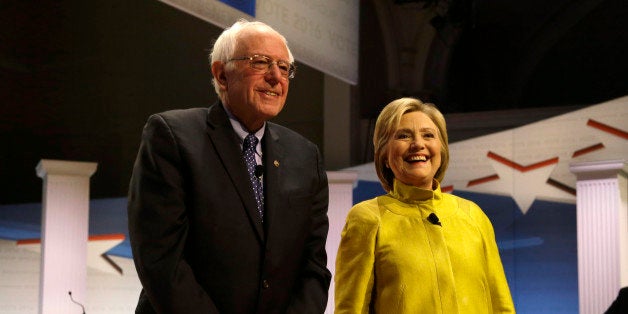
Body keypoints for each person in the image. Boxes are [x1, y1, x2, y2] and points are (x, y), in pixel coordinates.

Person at [127, 19, 331, 313]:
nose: (276, 77)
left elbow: (313, 266)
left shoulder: (305, 156)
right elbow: (161, 260)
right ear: (222, 75)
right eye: (261, 62)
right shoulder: (172, 137)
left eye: (284, 68)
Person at [334, 97, 515, 313]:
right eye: (403, 136)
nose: (418, 144)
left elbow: (501, 304)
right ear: (384, 155)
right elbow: (350, 309)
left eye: (428, 135)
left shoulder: (473, 216)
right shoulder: (367, 218)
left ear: (442, 149)